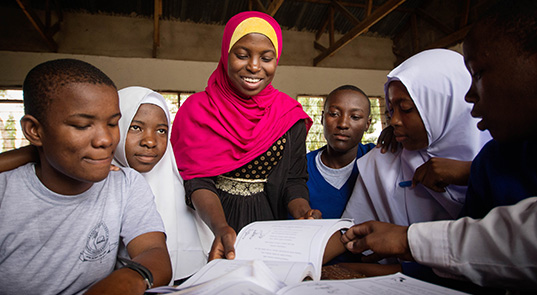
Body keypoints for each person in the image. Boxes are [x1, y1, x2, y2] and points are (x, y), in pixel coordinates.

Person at [341, 0, 537, 290]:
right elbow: (474, 263)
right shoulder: (492, 160)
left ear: (442, 105)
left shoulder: (483, 161)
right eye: (390, 110)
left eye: (479, 74)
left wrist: (407, 240)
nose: (469, 96)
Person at [0, 59, 172, 295]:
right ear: (34, 130)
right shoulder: (6, 193)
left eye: (113, 123)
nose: (106, 140)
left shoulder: (126, 184)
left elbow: (153, 251)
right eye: (82, 125)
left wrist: (132, 278)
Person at [170, 11, 319, 261]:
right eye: (242, 55)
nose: (253, 66)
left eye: (267, 57)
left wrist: (302, 211)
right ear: (225, 55)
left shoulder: (288, 115)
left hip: (267, 222)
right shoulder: (196, 111)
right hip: (208, 222)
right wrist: (220, 227)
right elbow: (196, 180)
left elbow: (294, 180)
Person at [342, 48, 490, 227]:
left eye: (405, 109)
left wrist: (471, 173)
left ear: (447, 106)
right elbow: (353, 232)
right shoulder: (383, 161)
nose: (394, 121)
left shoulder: (509, 157)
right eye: (391, 111)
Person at [114, 86, 212, 283]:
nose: (150, 141)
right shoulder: (93, 182)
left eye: (161, 130)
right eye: (136, 127)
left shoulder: (181, 184)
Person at [307, 85, 374, 219]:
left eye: (355, 117)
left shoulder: (376, 159)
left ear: (367, 124)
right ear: (322, 118)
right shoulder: (301, 167)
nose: (343, 124)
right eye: (334, 114)